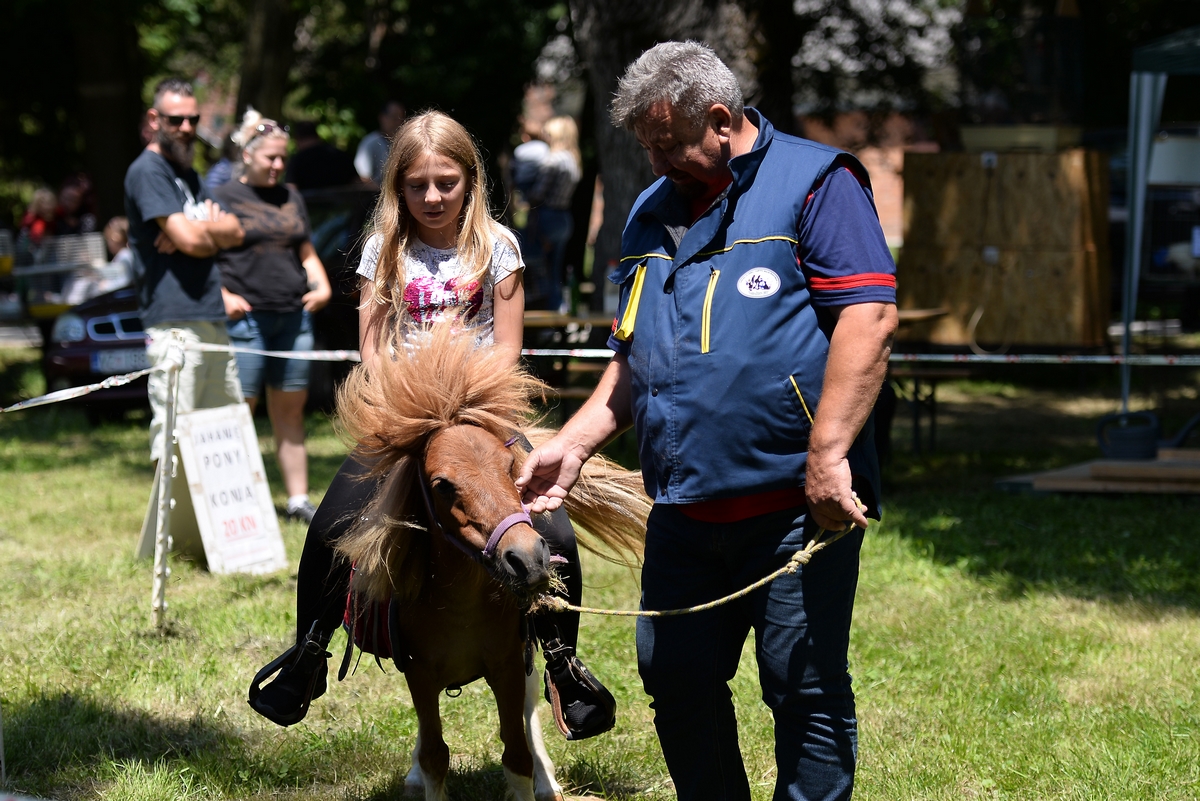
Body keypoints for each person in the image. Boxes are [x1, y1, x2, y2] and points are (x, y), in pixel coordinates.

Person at [515, 41, 899, 801]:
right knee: (676, 679)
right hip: (683, 511)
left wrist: (828, 455)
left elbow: (870, 315)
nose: (656, 163)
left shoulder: (818, 183)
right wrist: (573, 445)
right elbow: (634, 358)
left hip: (794, 509)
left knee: (804, 689)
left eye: (667, 144)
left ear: (720, 121)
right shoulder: (649, 214)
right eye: (646, 147)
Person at [249, 111, 615, 739]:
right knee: (333, 522)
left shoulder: (499, 246)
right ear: (398, 188)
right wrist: (403, 410)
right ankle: (310, 649)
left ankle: (562, 661)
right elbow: (372, 347)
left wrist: (470, 410)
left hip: (483, 412)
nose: (432, 197)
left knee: (551, 522)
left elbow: (505, 349)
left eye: (446, 182)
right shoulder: (382, 250)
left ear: (471, 180)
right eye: (417, 185)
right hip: (404, 415)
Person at [213, 109, 333, 525]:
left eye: (283, 158)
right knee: (239, 411)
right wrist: (223, 294)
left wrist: (321, 285)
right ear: (247, 154)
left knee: (289, 410)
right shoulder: (223, 197)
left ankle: (297, 499)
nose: (279, 165)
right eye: (270, 159)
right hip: (246, 319)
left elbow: (304, 250)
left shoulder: (290, 196)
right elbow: (204, 255)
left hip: (293, 317)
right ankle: (235, 501)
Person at [124, 77, 246, 459]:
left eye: (193, 119)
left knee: (221, 431)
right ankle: (170, 519)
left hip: (210, 314)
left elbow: (236, 231)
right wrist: (195, 233)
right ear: (155, 119)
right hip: (174, 322)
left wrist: (195, 229)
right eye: (176, 120)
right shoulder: (148, 170)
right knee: (177, 431)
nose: (187, 128)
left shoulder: (189, 176)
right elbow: (193, 241)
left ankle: (208, 521)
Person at [525, 116, 582, 312]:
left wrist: (525, 196)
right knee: (556, 268)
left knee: (540, 268)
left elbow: (538, 194)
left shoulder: (553, 160)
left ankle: (544, 313)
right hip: (564, 217)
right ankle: (559, 308)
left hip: (547, 217)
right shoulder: (572, 159)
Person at [285, 121, 361, 190]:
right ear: (317, 136)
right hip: (343, 204)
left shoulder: (296, 161)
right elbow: (357, 183)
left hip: (309, 204)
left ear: (297, 139)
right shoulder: (340, 156)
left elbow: (291, 189)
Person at [354, 100, 405, 187]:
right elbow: (363, 178)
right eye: (394, 117)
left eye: (401, 118)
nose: (398, 122)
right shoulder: (370, 142)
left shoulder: (404, 143)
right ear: (382, 118)